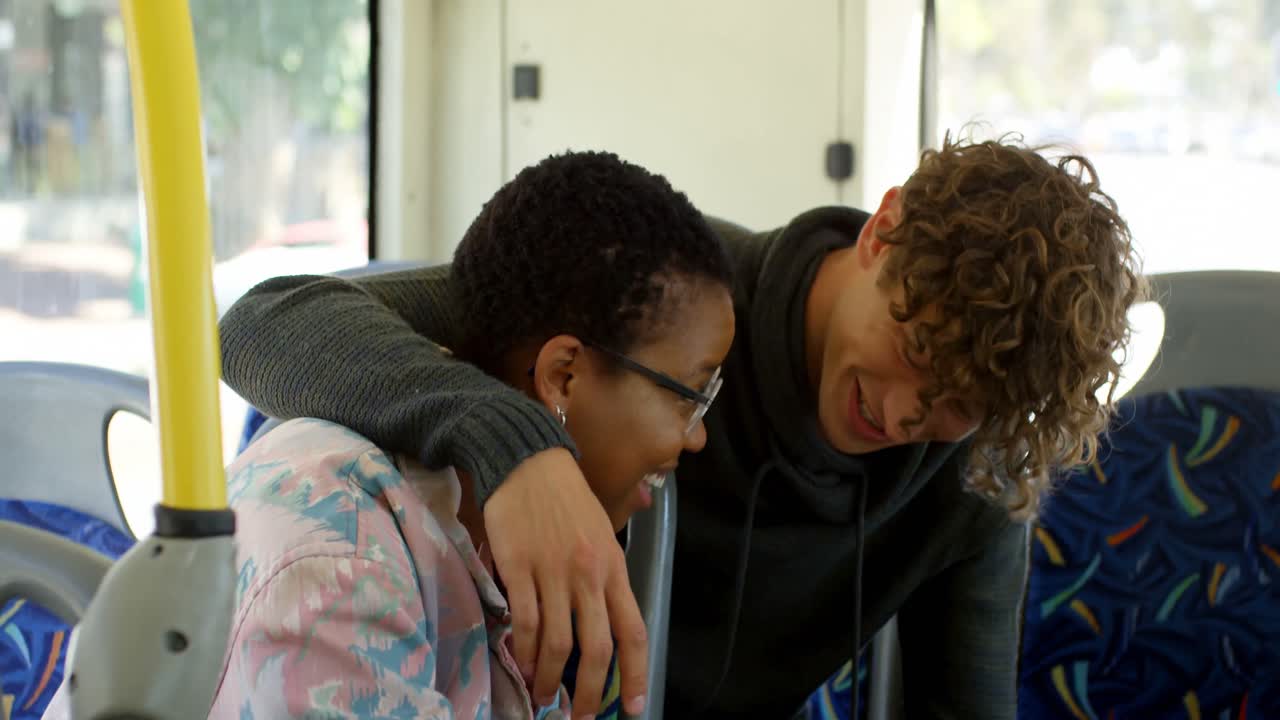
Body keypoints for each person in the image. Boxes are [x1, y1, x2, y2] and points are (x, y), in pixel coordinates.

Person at [219, 133, 1144, 718]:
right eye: (916, 347)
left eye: (958, 406)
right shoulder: (674, 293)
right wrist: (519, 445)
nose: (909, 414)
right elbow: (268, 323)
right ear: (884, 232)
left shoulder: (970, 476)